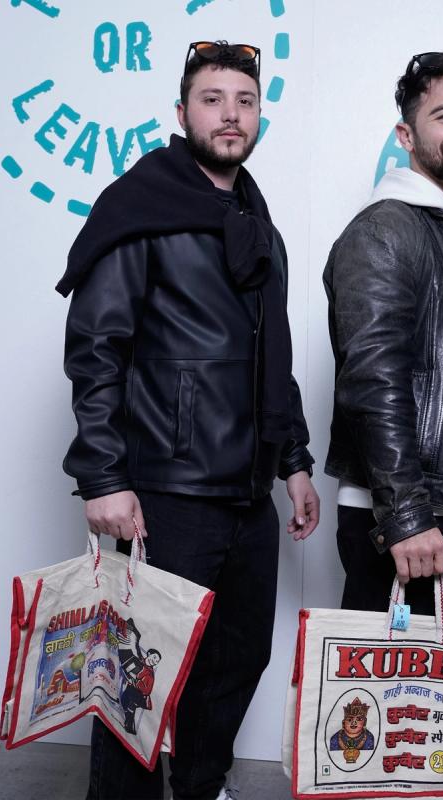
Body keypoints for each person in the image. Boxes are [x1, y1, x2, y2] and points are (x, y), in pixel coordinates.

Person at [56, 40, 319, 800]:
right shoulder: (141, 209)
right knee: (140, 671)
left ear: (259, 114)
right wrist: (103, 477)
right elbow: (97, 347)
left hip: (247, 488)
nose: (230, 114)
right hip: (167, 487)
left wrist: (295, 461)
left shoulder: (257, 225)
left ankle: (203, 786)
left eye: (244, 100)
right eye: (213, 98)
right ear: (182, 113)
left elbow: (275, 357)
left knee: (240, 658)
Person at [323, 47, 443, 620]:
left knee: (435, 707)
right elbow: (372, 383)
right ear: (406, 136)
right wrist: (407, 514)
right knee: (381, 707)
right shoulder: (387, 228)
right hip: (402, 519)